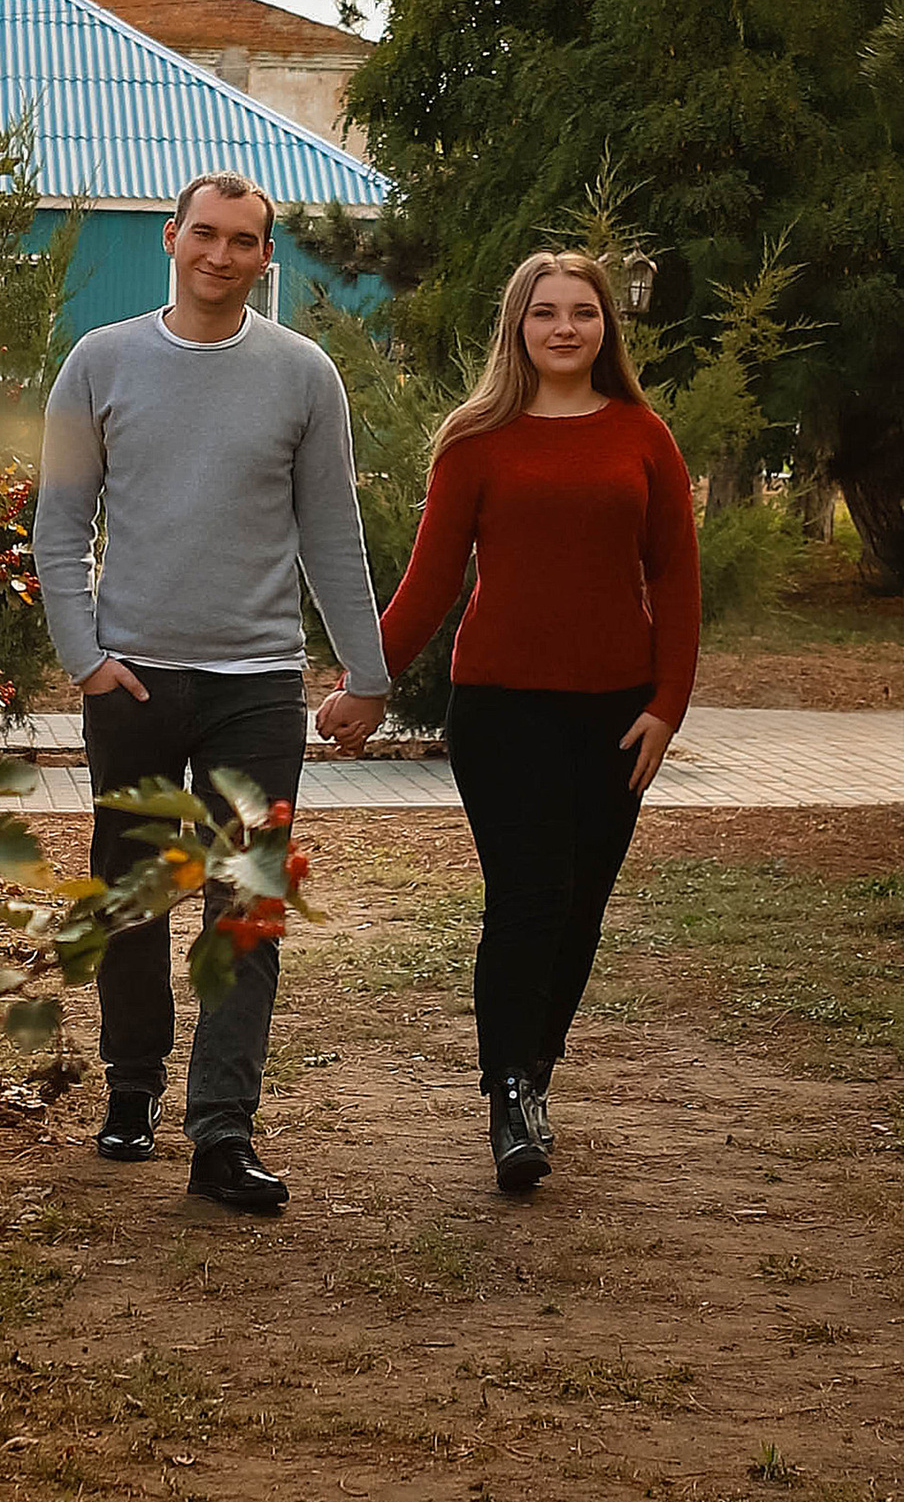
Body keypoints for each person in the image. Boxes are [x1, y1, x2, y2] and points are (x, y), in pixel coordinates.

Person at [34, 170, 391, 1217]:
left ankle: (222, 1134)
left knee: (244, 908)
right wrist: (86, 660)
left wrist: (364, 673)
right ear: (169, 237)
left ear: (262, 257)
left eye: (243, 242)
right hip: (133, 683)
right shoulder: (100, 362)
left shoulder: (301, 374)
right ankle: (131, 1086)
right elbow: (59, 525)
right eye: (205, 235)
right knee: (133, 898)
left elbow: (331, 533)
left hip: (254, 689)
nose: (220, 256)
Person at [358, 246, 698, 1194]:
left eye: (582, 313)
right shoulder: (476, 440)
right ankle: (508, 1095)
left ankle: (536, 1071)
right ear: (518, 325)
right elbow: (429, 583)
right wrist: (364, 680)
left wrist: (667, 707)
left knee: (583, 901)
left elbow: (674, 577)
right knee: (528, 895)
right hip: (502, 710)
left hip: (616, 716)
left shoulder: (644, 436)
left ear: (605, 328)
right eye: (545, 311)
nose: (563, 327)